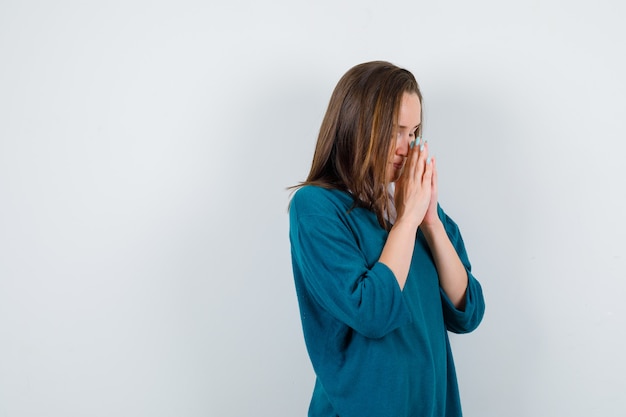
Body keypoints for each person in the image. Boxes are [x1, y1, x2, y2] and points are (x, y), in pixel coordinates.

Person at [288, 61, 485, 417]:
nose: (406, 147)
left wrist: (430, 222)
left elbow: (468, 311)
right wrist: (408, 220)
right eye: (395, 131)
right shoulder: (317, 208)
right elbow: (373, 312)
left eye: (413, 132)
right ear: (357, 127)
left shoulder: (415, 206)